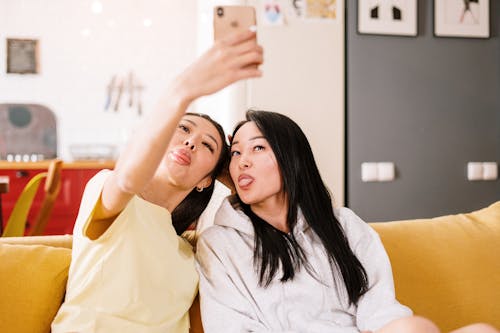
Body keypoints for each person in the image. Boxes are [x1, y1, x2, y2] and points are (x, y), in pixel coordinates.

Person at [196, 110, 498, 333]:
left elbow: (379, 305)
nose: (242, 161)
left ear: (292, 158)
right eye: (235, 153)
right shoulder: (220, 243)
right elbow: (230, 326)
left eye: (258, 147)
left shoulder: (342, 225)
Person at [51, 29, 263, 333]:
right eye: (183, 130)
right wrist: (182, 92)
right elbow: (126, 180)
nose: (190, 143)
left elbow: (267, 218)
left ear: (208, 180)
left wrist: (227, 164)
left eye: (207, 145)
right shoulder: (110, 195)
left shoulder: (190, 252)